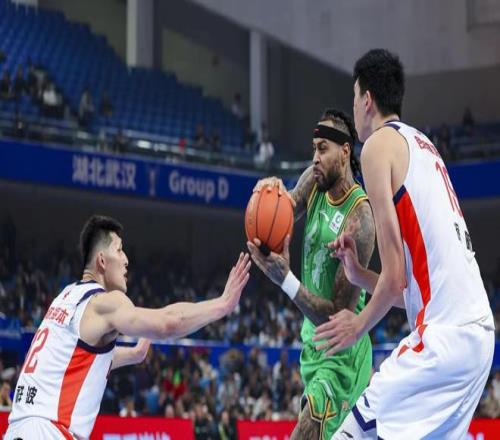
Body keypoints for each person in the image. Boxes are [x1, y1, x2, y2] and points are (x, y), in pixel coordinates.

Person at [312, 49, 495, 439]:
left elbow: (394, 278)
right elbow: (409, 288)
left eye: (354, 98)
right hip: (477, 339)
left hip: (445, 336)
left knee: (352, 433)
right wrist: (359, 275)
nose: (354, 109)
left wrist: (358, 325)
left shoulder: (377, 146)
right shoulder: (424, 145)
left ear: (367, 100)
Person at [5, 215, 250, 439]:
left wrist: (135, 354)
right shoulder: (104, 301)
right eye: (119, 250)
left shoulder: (65, 297)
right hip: (48, 432)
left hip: (17, 429)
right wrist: (222, 305)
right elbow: (167, 323)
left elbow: (76, 361)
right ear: (102, 261)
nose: (126, 259)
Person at [247, 109, 376, 439]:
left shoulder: (360, 219)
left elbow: (336, 317)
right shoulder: (315, 180)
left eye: (322, 149)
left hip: (342, 351)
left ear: (344, 152)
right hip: (312, 343)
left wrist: (286, 280)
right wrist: (271, 191)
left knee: (305, 432)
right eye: (313, 149)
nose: (315, 157)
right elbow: (284, 212)